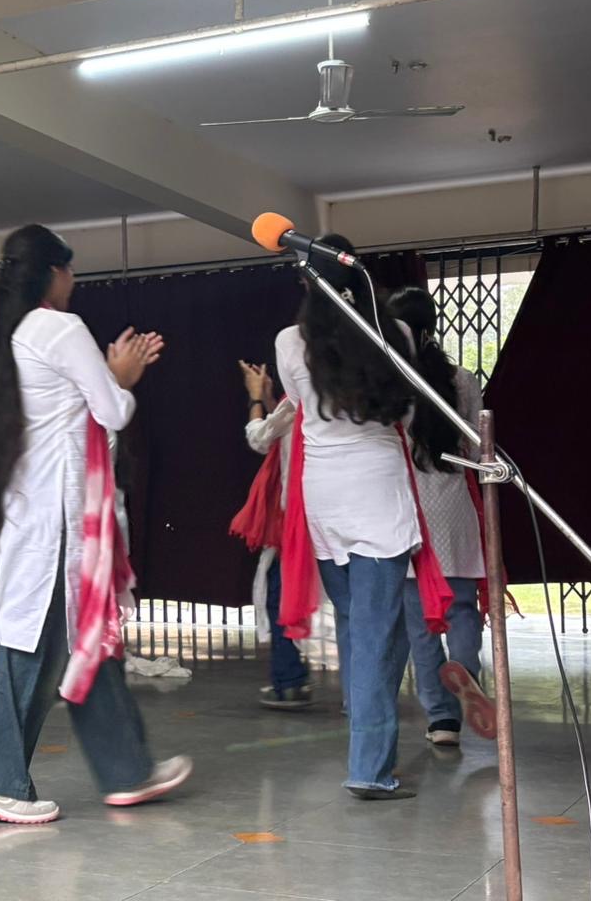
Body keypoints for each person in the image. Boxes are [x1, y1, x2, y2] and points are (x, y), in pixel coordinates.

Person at [0, 224, 191, 824]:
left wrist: (107, 376)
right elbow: (111, 409)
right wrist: (121, 377)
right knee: (37, 641)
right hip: (59, 517)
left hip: (32, 508)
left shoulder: (9, 335)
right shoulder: (59, 327)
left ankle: (126, 769)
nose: (74, 280)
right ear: (54, 272)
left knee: (86, 639)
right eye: (70, 269)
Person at [275, 235, 451, 800]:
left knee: (364, 626)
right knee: (375, 632)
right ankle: (370, 768)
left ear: (307, 282)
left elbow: (299, 404)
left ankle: (366, 730)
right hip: (377, 493)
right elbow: (406, 407)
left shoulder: (288, 342)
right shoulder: (394, 332)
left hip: (324, 496)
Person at [387, 286, 496, 747]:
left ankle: (442, 721)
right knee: (462, 609)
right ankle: (465, 670)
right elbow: (477, 445)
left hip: (410, 510)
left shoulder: (391, 382)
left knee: (421, 624)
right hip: (456, 510)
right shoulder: (462, 380)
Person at [232, 360, 314, 710]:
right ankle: (356, 695)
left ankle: (289, 680)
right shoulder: (334, 394)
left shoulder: (298, 400)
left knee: (281, 595)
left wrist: (254, 399)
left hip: (299, 517)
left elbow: (260, 437)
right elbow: (282, 426)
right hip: (333, 516)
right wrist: (269, 399)